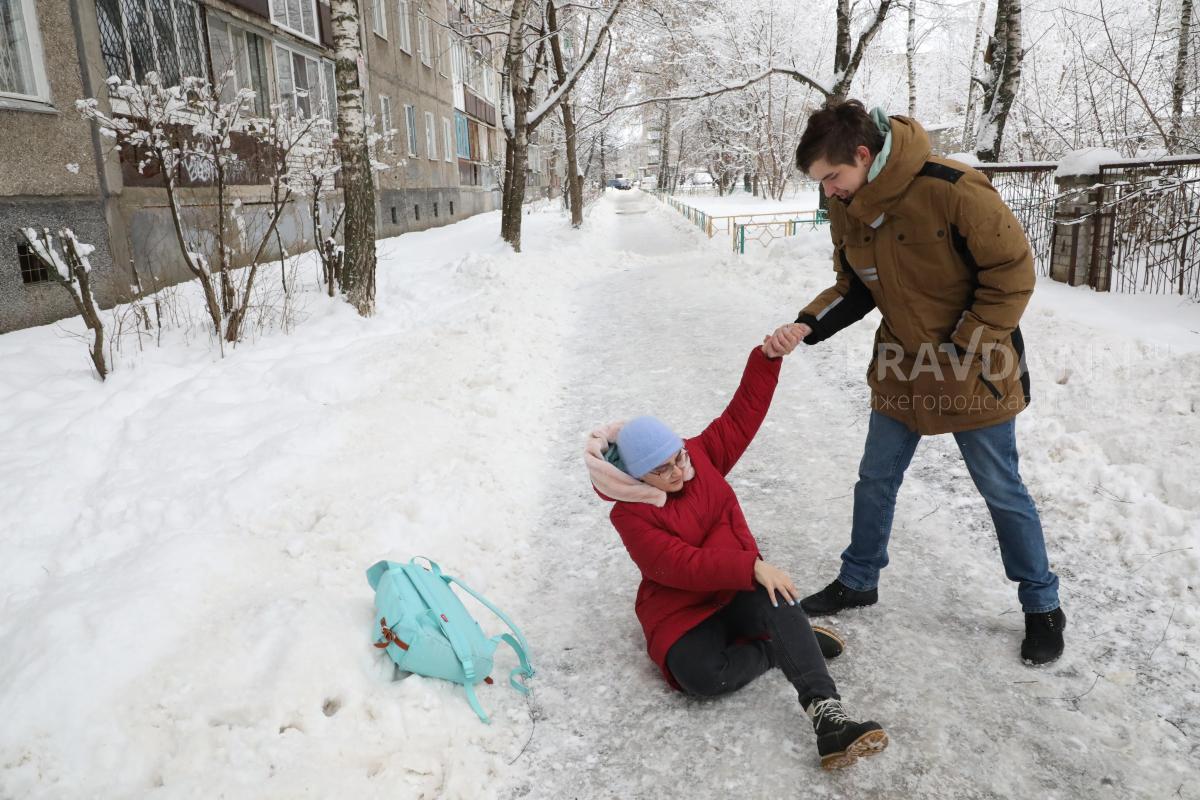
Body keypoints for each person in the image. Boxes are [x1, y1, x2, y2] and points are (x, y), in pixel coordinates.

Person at [766, 100, 1065, 665]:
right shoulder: (849, 206)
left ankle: (1042, 604)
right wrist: (805, 323)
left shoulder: (953, 187)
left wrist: (963, 346)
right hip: (902, 366)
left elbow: (1012, 274)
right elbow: (854, 287)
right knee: (875, 478)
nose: (829, 191)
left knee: (1001, 489)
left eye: (833, 177)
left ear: (863, 154)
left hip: (976, 367)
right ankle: (858, 580)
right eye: (820, 184)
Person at [584, 339, 888, 769]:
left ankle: (829, 719)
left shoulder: (701, 457)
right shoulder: (630, 514)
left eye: (678, 458)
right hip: (683, 607)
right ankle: (775, 650)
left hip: (739, 588)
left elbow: (741, 415)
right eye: (662, 469)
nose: (677, 472)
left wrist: (766, 360)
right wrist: (750, 564)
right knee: (699, 676)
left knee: (778, 596)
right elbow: (677, 565)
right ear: (636, 474)